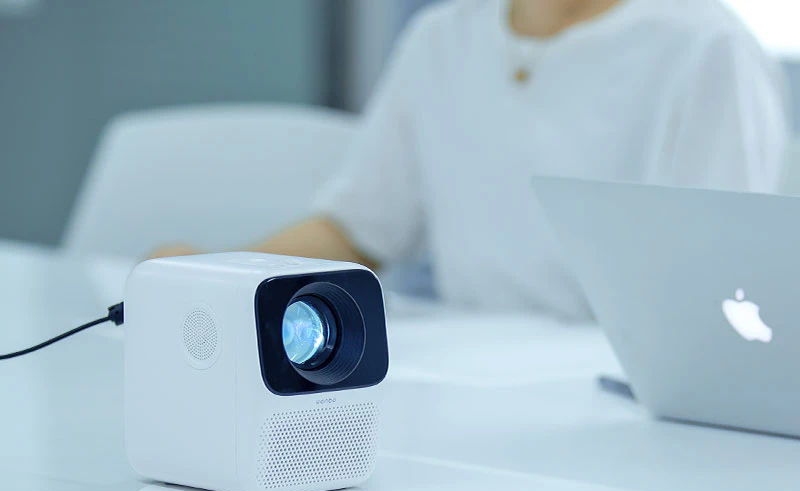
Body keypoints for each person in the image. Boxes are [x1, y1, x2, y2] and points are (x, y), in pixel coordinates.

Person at [154, 0, 790, 319]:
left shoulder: (707, 49)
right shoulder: (443, 36)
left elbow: (718, 300)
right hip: (461, 387)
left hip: (614, 409)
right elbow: (357, 229)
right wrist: (217, 279)